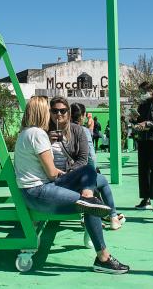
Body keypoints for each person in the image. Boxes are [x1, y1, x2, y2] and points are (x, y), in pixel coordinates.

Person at [15, 96, 129, 274]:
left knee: (89, 172)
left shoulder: (26, 132)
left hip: (38, 189)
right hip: (39, 192)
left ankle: (88, 196)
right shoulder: (38, 134)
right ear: (41, 111)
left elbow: (79, 160)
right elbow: (52, 173)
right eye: (50, 110)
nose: (53, 114)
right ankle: (103, 258)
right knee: (90, 204)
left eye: (60, 111)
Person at [48, 97, 124, 230]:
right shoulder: (44, 131)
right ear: (50, 112)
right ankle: (104, 217)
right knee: (92, 186)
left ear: (68, 113)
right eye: (55, 111)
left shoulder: (78, 131)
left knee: (101, 180)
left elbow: (83, 158)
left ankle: (112, 217)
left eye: (62, 111)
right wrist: (47, 141)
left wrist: (71, 173)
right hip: (52, 177)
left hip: (72, 174)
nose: (58, 114)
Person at [133, 82, 153, 213]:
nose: (141, 94)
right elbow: (139, 122)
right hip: (143, 140)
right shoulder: (141, 105)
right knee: (143, 169)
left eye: (143, 91)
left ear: (151, 91)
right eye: (140, 91)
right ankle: (146, 199)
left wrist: (147, 123)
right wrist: (134, 120)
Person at [70, 102, 97, 169]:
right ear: (82, 116)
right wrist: (93, 170)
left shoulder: (63, 129)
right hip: (79, 169)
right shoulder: (83, 130)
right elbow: (91, 156)